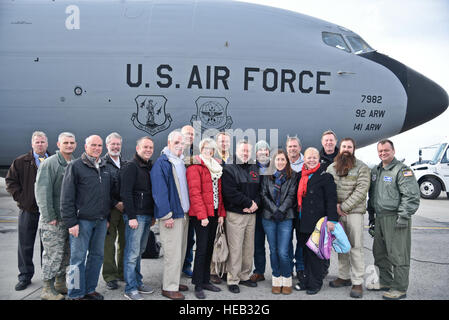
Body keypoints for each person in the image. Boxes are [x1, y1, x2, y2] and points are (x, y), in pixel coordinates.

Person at [61, 135, 116, 300]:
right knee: (77, 259)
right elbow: (66, 197)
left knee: (97, 256)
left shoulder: (105, 167)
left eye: (99, 145)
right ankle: (75, 293)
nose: (97, 148)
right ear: (85, 147)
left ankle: (89, 289)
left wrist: (106, 218)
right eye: (93, 145)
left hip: (100, 221)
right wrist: (71, 222)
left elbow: (107, 195)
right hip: (81, 221)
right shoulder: (75, 166)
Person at [367, 139, 420, 300]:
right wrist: (372, 216)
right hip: (380, 217)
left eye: (386, 151)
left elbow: (411, 196)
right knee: (380, 253)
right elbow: (372, 196)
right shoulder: (376, 171)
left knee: (398, 254)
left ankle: (399, 288)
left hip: (396, 217)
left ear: (393, 151)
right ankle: (385, 281)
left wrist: (403, 216)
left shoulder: (402, 170)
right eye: (380, 151)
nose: (383, 153)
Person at [6, 131, 51, 291]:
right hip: (28, 210)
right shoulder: (20, 162)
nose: (40, 144)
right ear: (32, 144)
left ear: (47, 143)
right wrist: (22, 198)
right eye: (37, 142)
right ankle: (25, 276)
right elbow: (10, 181)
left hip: (48, 212)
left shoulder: (53, 161)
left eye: (42, 142)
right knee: (25, 245)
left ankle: (48, 276)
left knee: (47, 246)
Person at [326, 138, 371, 298]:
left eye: (349, 147)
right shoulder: (331, 168)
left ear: (354, 149)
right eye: (344, 146)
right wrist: (335, 208)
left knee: (355, 247)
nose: (346, 149)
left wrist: (343, 207)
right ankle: (343, 277)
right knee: (341, 246)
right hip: (336, 214)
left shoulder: (362, 168)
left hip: (354, 213)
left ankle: (357, 281)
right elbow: (328, 189)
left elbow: (361, 190)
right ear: (340, 149)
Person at [35, 132, 76, 300]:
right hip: (53, 220)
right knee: (52, 255)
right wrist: (49, 216)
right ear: (58, 144)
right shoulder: (50, 164)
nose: (69, 145)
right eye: (65, 142)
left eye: (72, 142)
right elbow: (42, 192)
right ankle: (47, 289)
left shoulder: (73, 163)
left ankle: (60, 283)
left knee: (65, 254)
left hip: (67, 219)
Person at [151, 130, 190, 300]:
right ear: (169, 143)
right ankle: (169, 287)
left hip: (183, 214)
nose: (180, 146)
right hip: (171, 216)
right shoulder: (163, 163)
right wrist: (166, 215)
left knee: (180, 252)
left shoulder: (180, 161)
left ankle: (173, 280)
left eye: (182, 143)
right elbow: (159, 192)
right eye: (176, 143)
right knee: (172, 253)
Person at [186, 138, 226, 299]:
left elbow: (219, 193)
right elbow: (194, 194)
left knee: (210, 247)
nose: (208, 150)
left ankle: (205, 280)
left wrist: (221, 214)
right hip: (201, 215)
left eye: (211, 148)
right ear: (200, 149)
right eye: (205, 148)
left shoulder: (216, 166)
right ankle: (197, 284)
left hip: (215, 212)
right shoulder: (195, 167)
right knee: (202, 248)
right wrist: (202, 216)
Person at [294, 147, 338, 295]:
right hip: (302, 221)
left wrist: (332, 220)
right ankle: (306, 280)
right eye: (308, 157)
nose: (311, 160)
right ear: (304, 159)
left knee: (315, 254)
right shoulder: (300, 175)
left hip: (318, 222)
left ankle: (315, 283)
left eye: (314, 157)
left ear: (318, 159)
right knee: (305, 253)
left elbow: (331, 200)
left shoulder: (325, 176)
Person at [222, 139, 261, 294]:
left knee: (248, 247)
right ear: (236, 151)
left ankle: (245, 276)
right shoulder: (229, 168)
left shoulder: (254, 167)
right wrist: (248, 203)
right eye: (242, 151)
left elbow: (259, 189)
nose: (245, 153)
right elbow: (230, 192)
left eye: (247, 151)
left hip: (251, 214)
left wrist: (255, 203)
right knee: (236, 248)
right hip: (236, 214)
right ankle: (233, 278)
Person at [120, 136, 155, 300]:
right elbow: (125, 193)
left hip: (147, 215)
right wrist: (131, 216)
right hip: (136, 217)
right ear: (137, 148)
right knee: (132, 253)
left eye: (150, 147)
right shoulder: (131, 167)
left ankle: (138, 282)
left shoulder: (149, 166)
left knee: (139, 251)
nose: (148, 150)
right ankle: (130, 288)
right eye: (145, 147)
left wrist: (153, 215)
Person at [260, 150, 298, 295]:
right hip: (269, 217)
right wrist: (274, 210)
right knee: (274, 250)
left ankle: (286, 278)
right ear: (273, 161)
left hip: (285, 217)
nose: (280, 162)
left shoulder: (293, 175)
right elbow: (263, 194)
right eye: (277, 159)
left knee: (283, 251)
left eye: (283, 159)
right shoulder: (267, 175)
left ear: (287, 161)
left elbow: (291, 195)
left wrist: (280, 210)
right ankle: (276, 278)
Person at [102, 132, 126, 291]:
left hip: (125, 209)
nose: (116, 147)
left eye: (118, 144)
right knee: (108, 244)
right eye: (113, 144)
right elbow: (101, 189)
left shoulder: (125, 163)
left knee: (125, 242)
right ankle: (110, 276)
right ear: (107, 145)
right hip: (110, 209)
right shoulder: (102, 164)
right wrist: (115, 203)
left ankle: (122, 272)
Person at [210, 131, 232, 285]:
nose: (224, 144)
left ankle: (223, 269)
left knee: (227, 239)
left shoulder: (232, 159)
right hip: (216, 204)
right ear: (216, 143)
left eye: (226, 141)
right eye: (221, 141)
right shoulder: (211, 159)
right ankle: (212, 270)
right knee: (214, 239)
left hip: (230, 204)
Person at [250, 140, 270, 283]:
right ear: (256, 153)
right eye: (260, 150)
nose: (263, 152)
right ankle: (259, 271)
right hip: (256, 211)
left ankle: (281, 272)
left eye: (265, 150)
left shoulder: (275, 165)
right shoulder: (251, 167)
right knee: (258, 244)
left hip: (271, 212)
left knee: (277, 246)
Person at [285, 135, 304, 284]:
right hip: (286, 210)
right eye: (290, 146)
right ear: (287, 149)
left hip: (301, 210)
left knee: (302, 240)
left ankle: (301, 267)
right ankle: (289, 267)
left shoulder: (306, 164)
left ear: (300, 148)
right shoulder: (282, 164)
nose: (292, 149)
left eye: (295, 146)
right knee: (287, 241)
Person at [181, 125, 196, 278]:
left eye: (192, 134)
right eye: (187, 134)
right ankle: (175, 265)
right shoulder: (173, 151)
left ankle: (186, 265)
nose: (190, 137)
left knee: (190, 238)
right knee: (177, 239)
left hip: (192, 203)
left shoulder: (197, 153)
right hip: (178, 203)